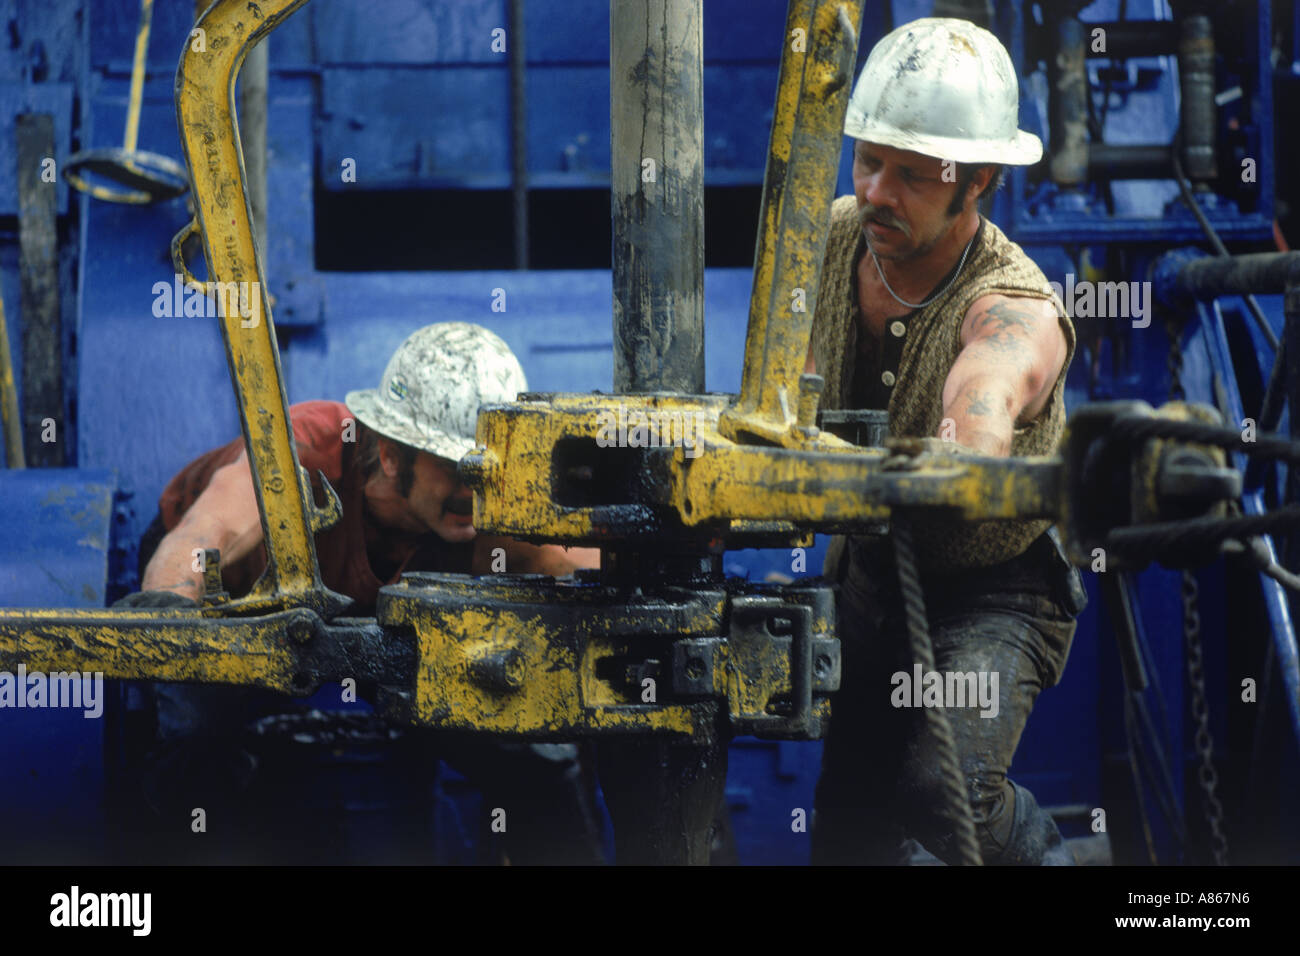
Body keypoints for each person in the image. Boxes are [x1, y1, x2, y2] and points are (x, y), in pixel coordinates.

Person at [118, 321, 606, 864]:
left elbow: (582, 567)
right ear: (393, 456)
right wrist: (175, 628)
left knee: (537, 754)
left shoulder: (489, 508)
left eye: (487, 470)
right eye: (454, 469)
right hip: (227, 605)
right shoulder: (307, 450)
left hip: (378, 631)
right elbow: (201, 539)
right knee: (195, 735)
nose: (474, 491)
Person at [805, 18, 1088, 865]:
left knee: (944, 792)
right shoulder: (827, 239)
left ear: (979, 181)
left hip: (992, 591)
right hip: (868, 584)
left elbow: (985, 400)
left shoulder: (1016, 308)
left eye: (914, 175)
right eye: (869, 159)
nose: (878, 191)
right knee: (848, 834)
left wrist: (964, 452)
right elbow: (784, 393)